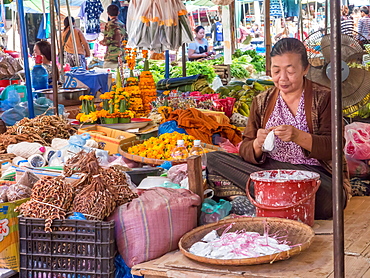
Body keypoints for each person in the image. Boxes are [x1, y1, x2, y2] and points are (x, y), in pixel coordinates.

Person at [206, 38, 351, 220]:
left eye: (290, 71)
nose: (282, 78)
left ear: (305, 69)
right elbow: (245, 147)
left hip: (314, 176)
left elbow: (335, 146)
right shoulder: (261, 101)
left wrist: (298, 136)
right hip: (270, 173)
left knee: (331, 200)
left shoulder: (324, 98)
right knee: (212, 159)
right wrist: (257, 144)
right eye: (276, 71)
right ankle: (268, 199)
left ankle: (260, 199)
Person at [100, 4, 126, 69]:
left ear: (107, 13)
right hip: (121, 55)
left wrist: (101, 42)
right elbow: (125, 39)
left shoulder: (109, 25)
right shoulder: (122, 25)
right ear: (118, 13)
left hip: (111, 56)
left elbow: (107, 41)